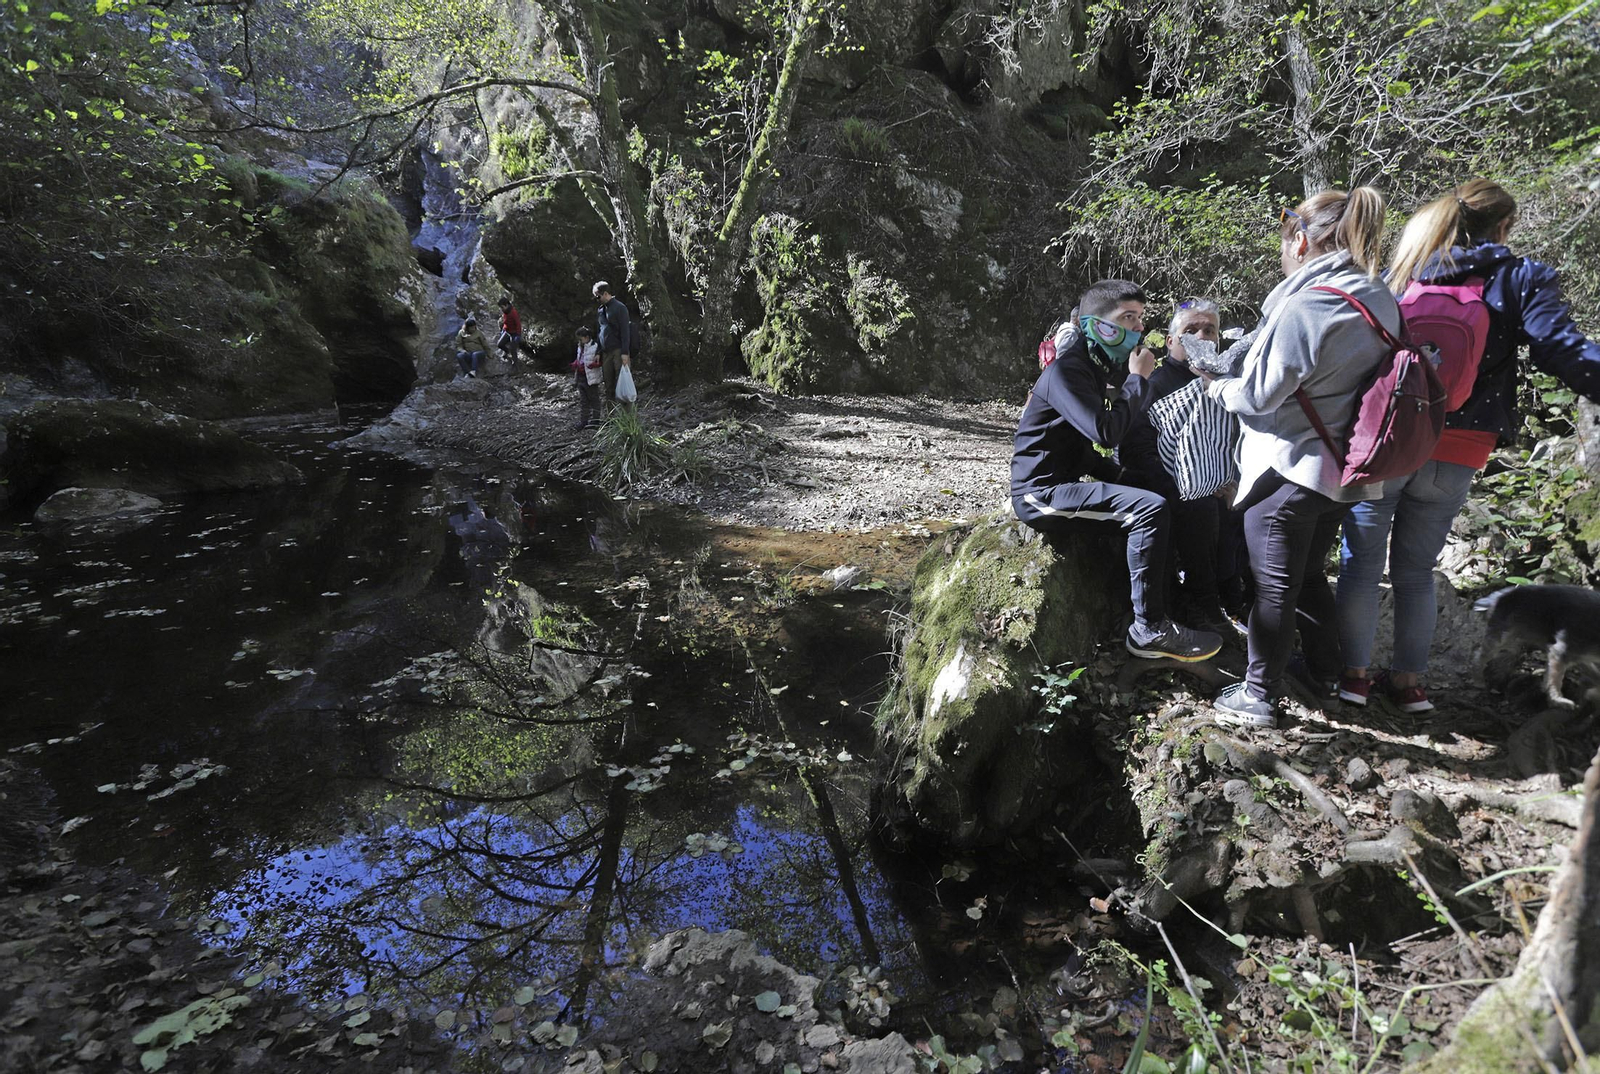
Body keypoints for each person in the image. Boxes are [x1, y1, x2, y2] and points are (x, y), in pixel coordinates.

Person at [1336, 178, 1600, 712]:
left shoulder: (1405, 272)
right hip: (1462, 442)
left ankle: (1352, 680)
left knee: (1361, 566)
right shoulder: (1518, 276)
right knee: (1415, 570)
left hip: (1389, 438)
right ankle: (1409, 685)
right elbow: (1562, 353)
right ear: (1503, 226)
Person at [1201, 188, 1395, 727]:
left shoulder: (1312, 301)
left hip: (1290, 465)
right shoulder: (1377, 295)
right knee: (1308, 575)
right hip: (1346, 471)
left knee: (1274, 586)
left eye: (1286, 243)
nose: (1283, 254)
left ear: (1302, 239)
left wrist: (1218, 387)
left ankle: (1258, 697)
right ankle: (1327, 675)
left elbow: (1259, 395)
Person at [1012, 279, 1224, 663]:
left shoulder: (1092, 368)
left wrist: (1124, 477)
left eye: (1141, 318)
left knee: (1160, 494)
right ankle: (1148, 629)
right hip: (1039, 495)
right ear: (1096, 325)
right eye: (1129, 318)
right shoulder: (1066, 371)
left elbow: (1080, 449)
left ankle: (1180, 607)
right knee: (1150, 509)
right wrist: (1138, 379)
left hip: (1067, 482)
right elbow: (1105, 433)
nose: (1140, 328)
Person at [1116, 297, 1232, 634]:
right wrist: (1190, 482)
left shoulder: (1225, 382)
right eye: (1190, 329)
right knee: (1199, 505)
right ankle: (1201, 603)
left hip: (1214, 480)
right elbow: (1135, 451)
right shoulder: (1157, 384)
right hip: (1159, 480)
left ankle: (1232, 597)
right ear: (1171, 341)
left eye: (1209, 330)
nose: (1200, 335)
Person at [592, 281, 631, 404]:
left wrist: (625, 352)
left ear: (606, 293)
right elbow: (600, 331)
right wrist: (598, 351)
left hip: (619, 350)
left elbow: (625, 331)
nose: (597, 299)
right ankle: (611, 418)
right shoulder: (600, 310)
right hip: (605, 352)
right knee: (608, 386)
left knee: (622, 383)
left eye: (598, 296)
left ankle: (626, 418)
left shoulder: (620, 307)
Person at [571, 326, 602, 429]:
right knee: (583, 401)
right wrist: (576, 364)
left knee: (594, 399)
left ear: (587, 337)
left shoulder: (595, 346)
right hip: (581, 376)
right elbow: (580, 358)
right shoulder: (580, 347)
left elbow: (599, 360)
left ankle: (596, 420)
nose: (580, 340)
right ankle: (583, 421)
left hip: (591, 377)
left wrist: (596, 364)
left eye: (581, 338)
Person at [496, 296, 523, 367]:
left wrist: (518, 335)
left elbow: (518, 324)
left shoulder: (513, 312)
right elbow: (506, 321)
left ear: (507, 305)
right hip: (507, 331)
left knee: (513, 349)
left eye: (502, 307)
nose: (501, 309)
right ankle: (507, 351)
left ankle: (515, 365)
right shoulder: (505, 312)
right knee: (500, 344)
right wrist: (503, 329)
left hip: (514, 333)